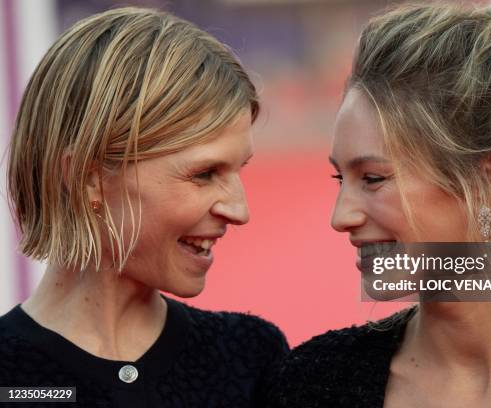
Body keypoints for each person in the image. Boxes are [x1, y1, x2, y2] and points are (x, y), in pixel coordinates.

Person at [264, 0, 491, 406]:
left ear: (489, 179)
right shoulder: (313, 383)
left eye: (373, 179)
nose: (341, 218)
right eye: (341, 178)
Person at [0, 7, 287, 407]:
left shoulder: (250, 356)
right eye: (204, 173)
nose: (239, 211)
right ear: (88, 178)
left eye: (239, 170)